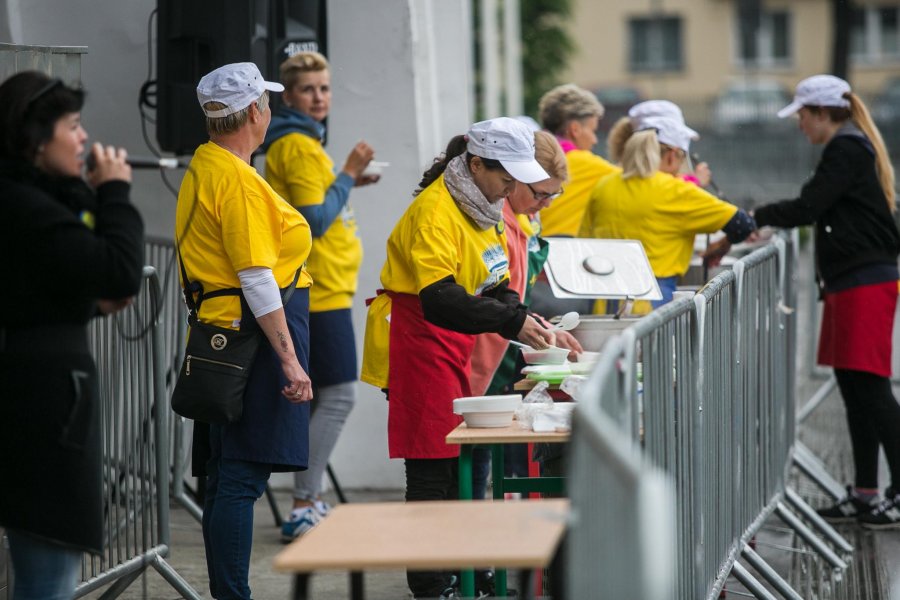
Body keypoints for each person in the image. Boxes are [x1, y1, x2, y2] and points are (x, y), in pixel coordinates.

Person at [360, 117, 557, 599]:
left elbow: (494, 282)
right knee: (432, 468)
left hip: (454, 341)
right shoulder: (435, 212)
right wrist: (510, 323)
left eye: (517, 179)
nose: (512, 187)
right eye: (505, 177)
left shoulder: (482, 206)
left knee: (461, 466)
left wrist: (523, 318)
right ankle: (431, 585)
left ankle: (467, 571)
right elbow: (439, 298)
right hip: (420, 338)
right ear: (474, 164)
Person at [0, 71, 144, 600]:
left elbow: (37, 290)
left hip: (45, 393)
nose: (84, 138)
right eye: (74, 126)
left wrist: (89, 299)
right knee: (48, 579)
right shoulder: (21, 204)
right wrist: (116, 192)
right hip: (42, 408)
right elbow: (120, 269)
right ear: (37, 136)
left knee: (50, 573)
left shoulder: (31, 200)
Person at [176, 62, 314, 599]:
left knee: (225, 474)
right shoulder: (236, 180)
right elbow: (257, 279)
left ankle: (228, 593)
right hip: (251, 336)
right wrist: (289, 360)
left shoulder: (207, 164)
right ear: (255, 111)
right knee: (240, 477)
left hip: (224, 331)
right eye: (268, 103)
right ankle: (233, 596)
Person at [750, 74, 900, 529]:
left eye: (801, 115)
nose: (799, 124)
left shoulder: (847, 148)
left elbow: (808, 207)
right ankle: (865, 493)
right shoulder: (852, 145)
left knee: (871, 388)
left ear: (821, 113)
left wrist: (750, 218)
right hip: (850, 281)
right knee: (854, 387)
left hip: (864, 280)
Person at [261, 51, 378, 541]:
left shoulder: (303, 142)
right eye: (309, 89)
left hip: (324, 286)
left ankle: (308, 496)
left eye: (325, 88)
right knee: (339, 396)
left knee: (320, 397)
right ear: (287, 96)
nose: (319, 97)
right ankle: (304, 502)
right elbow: (313, 220)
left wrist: (346, 181)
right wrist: (348, 172)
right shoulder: (299, 145)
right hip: (320, 288)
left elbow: (314, 203)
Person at [467, 131, 582, 499]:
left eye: (554, 194)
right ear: (513, 178)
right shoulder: (493, 219)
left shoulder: (524, 220)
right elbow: (488, 297)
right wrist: (529, 326)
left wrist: (543, 326)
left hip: (497, 355)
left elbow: (514, 299)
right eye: (540, 193)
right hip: (474, 358)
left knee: (482, 461)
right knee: (467, 467)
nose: (546, 203)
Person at [579, 115, 756, 309]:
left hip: (602, 302)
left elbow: (584, 240)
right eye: (682, 157)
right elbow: (743, 224)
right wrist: (722, 245)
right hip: (652, 304)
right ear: (672, 155)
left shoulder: (603, 185)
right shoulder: (675, 190)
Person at [530, 83, 619, 318]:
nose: (594, 140)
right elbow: (636, 185)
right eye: (592, 130)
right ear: (574, 129)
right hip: (563, 267)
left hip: (527, 262)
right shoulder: (585, 163)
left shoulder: (530, 156)